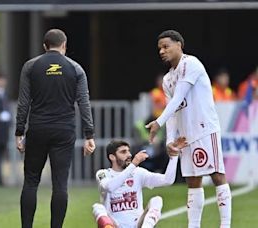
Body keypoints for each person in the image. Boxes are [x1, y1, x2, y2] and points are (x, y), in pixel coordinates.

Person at [145, 30, 232, 228]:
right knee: (192, 180)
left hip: (204, 129)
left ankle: (225, 225)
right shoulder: (167, 79)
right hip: (185, 135)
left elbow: (178, 98)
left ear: (179, 45)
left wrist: (158, 123)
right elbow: (173, 112)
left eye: (166, 46)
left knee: (217, 175)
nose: (162, 51)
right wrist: (169, 141)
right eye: (159, 48)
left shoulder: (191, 64)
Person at [15, 28, 95, 228]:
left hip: (38, 129)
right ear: (64, 46)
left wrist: (19, 132)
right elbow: (84, 102)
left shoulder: (30, 66)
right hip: (64, 130)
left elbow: (23, 103)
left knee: (31, 181)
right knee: (60, 184)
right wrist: (89, 134)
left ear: (44, 46)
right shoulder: (76, 69)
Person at [92, 137, 187, 228]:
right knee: (98, 208)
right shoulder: (102, 174)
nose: (129, 155)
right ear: (112, 157)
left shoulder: (138, 173)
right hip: (115, 224)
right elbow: (110, 187)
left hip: (137, 224)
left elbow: (168, 180)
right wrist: (133, 164)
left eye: (128, 151)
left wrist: (174, 156)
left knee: (157, 200)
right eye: (123, 152)